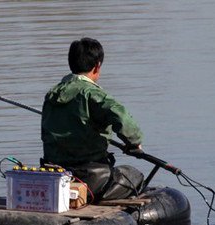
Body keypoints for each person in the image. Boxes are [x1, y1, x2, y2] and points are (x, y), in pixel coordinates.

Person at [41, 37, 145, 202]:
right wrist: (134, 143)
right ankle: (94, 197)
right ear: (97, 66)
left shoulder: (52, 95)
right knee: (134, 175)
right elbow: (121, 116)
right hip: (89, 177)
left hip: (54, 174)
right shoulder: (93, 94)